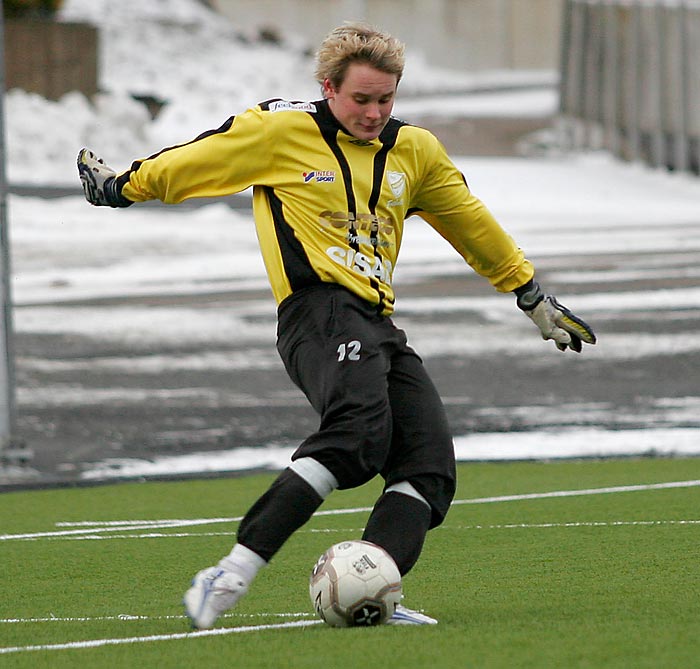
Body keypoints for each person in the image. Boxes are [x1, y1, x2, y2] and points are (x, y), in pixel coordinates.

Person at [77, 22, 596, 627]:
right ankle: (230, 573)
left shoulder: (416, 151)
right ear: (328, 88)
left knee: (427, 467)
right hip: (315, 314)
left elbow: (471, 223)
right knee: (356, 437)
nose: (375, 112)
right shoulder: (278, 131)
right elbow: (196, 162)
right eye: (361, 99)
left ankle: (372, 588)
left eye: (386, 98)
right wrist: (121, 187)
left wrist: (531, 297)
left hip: (375, 322)